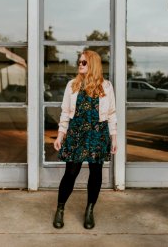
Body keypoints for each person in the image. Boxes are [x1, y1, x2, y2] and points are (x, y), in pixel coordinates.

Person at [52, 50, 117, 229]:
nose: (80, 65)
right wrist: (60, 135)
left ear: (93, 65)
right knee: (71, 173)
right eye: (79, 62)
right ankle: (60, 208)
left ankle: (89, 210)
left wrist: (114, 137)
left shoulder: (106, 86)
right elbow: (65, 112)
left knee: (96, 173)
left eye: (84, 62)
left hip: (98, 133)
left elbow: (111, 114)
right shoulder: (72, 85)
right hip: (76, 134)